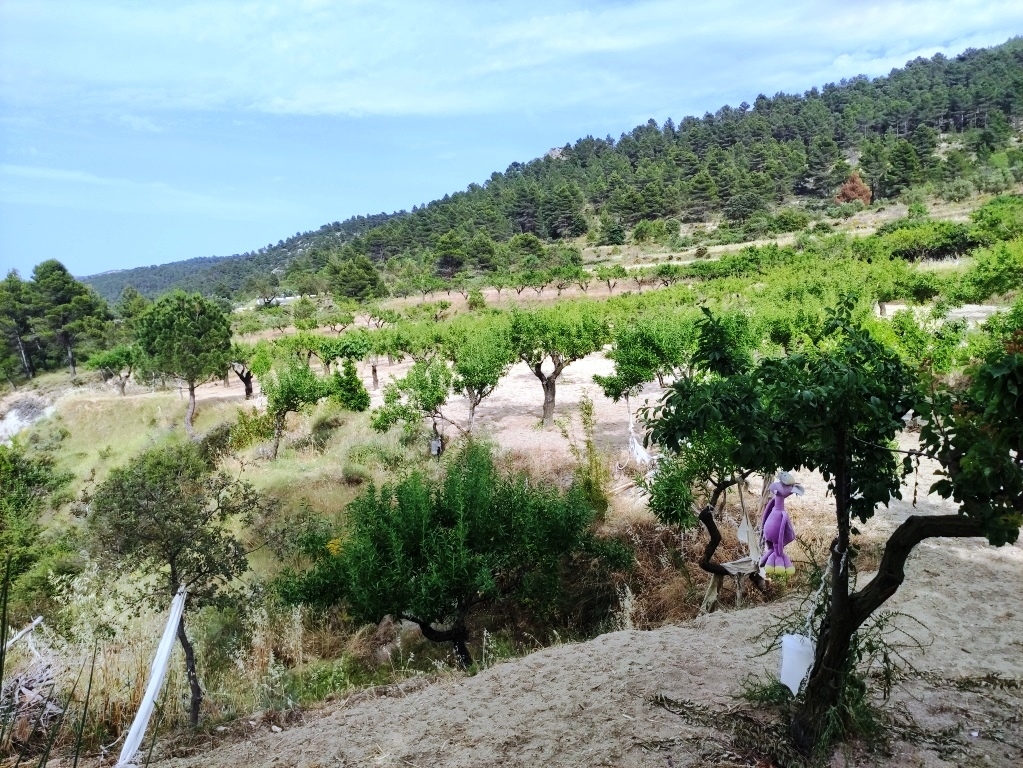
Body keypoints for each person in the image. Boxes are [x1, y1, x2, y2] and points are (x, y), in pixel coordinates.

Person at [760, 470, 803, 577]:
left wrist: (779, 551)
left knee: (776, 548)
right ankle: (771, 553)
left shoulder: (783, 514)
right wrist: (763, 529)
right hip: (768, 536)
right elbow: (766, 514)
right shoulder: (773, 503)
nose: (778, 485)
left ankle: (778, 557)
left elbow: (783, 529)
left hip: (778, 542)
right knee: (772, 548)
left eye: (783, 485)